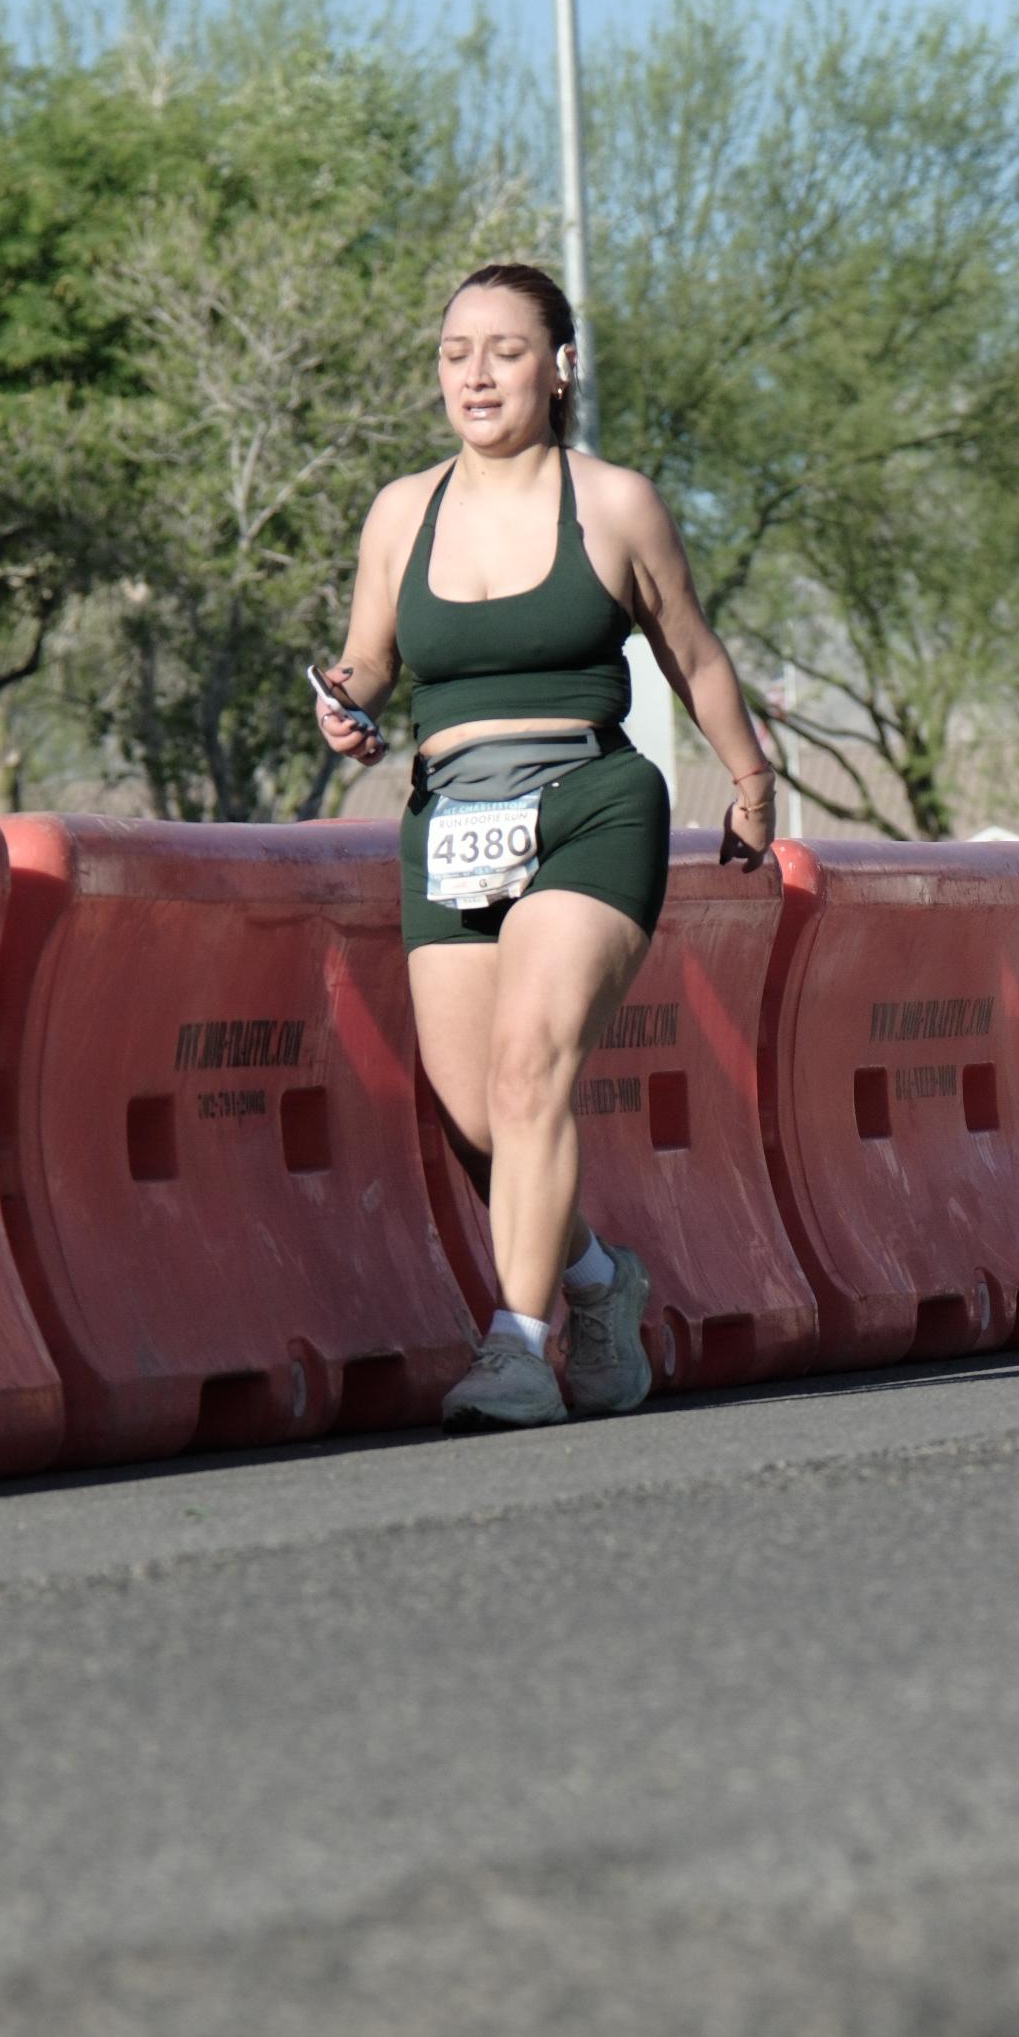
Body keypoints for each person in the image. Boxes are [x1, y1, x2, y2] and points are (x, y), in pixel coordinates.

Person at [316, 259, 778, 1427]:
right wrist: (345, 702)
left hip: (589, 804)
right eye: (455, 353)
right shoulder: (401, 511)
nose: (475, 375)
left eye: (505, 351)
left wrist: (752, 781)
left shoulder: (613, 503)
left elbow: (693, 653)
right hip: (449, 821)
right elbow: (370, 658)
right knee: (478, 1117)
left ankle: (517, 1349)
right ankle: (599, 1280)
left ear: (560, 368)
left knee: (530, 1072)